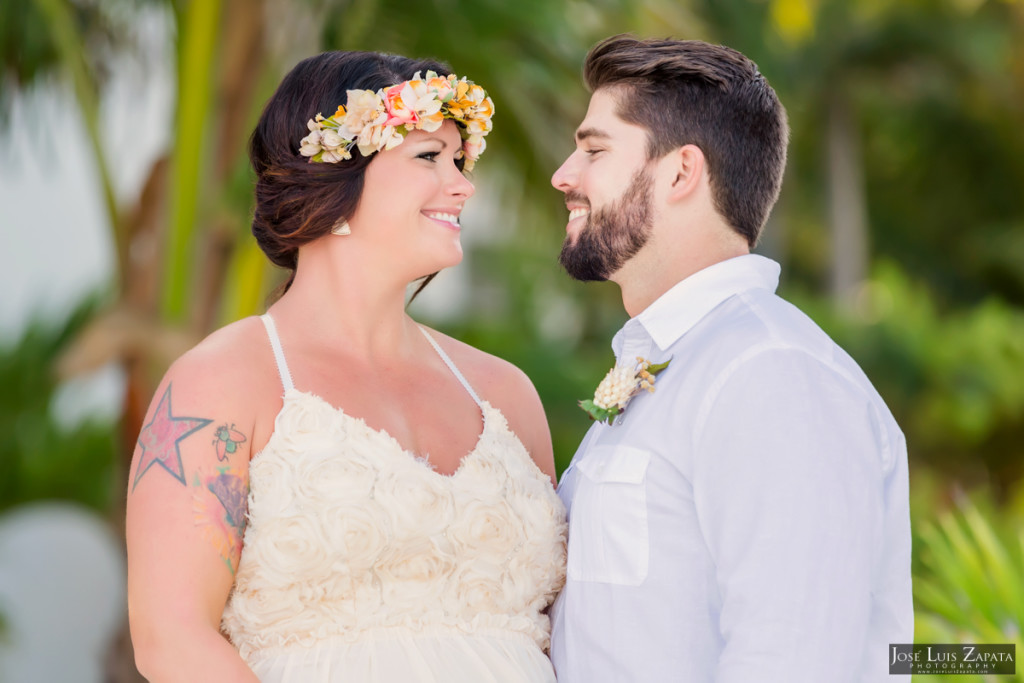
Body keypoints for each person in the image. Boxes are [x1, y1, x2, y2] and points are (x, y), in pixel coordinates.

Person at [126, 50, 566, 682]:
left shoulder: (504, 393)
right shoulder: (220, 384)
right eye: (428, 157)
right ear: (332, 179)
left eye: (460, 159)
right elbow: (171, 639)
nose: (464, 183)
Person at [548, 35, 912, 682]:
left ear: (680, 172)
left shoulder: (772, 375)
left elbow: (796, 658)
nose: (564, 175)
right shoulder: (679, 362)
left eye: (594, 149)